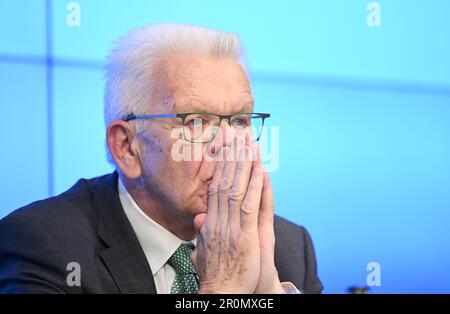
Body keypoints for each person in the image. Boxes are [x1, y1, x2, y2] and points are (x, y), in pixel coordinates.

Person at [0, 23, 322, 294]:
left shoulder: (287, 249)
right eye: (196, 122)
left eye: (239, 121)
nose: (228, 147)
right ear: (127, 147)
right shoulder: (46, 248)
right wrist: (222, 289)